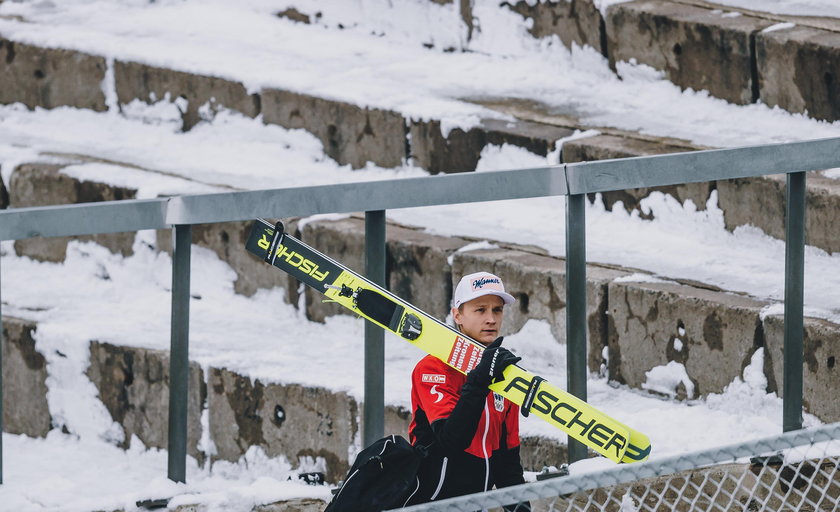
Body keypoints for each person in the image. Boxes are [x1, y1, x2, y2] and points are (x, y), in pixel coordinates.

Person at [406, 271, 531, 511]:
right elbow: (450, 441)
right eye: (480, 309)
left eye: (497, 310)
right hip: (429, 505)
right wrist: (481, 379)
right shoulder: (433, 368)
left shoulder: (505, 375)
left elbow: (508, 461)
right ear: (458, 315)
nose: (491, 319)